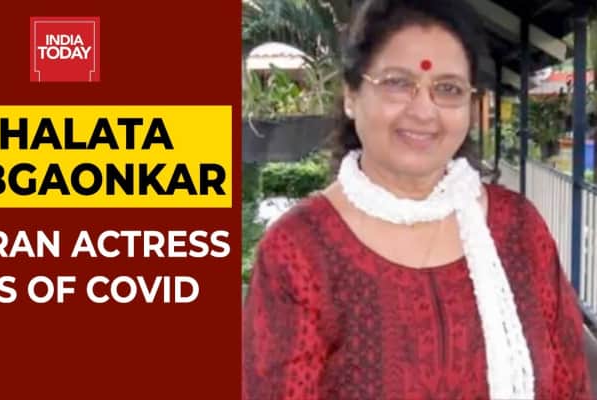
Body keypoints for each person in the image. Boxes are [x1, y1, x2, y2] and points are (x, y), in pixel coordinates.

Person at [242, 0, 593, 399]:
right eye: (397, 82)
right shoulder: (298, 251)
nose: (424, 111)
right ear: (351, 95)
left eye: (448, 88)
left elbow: (571, 385)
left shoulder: (519, 229)